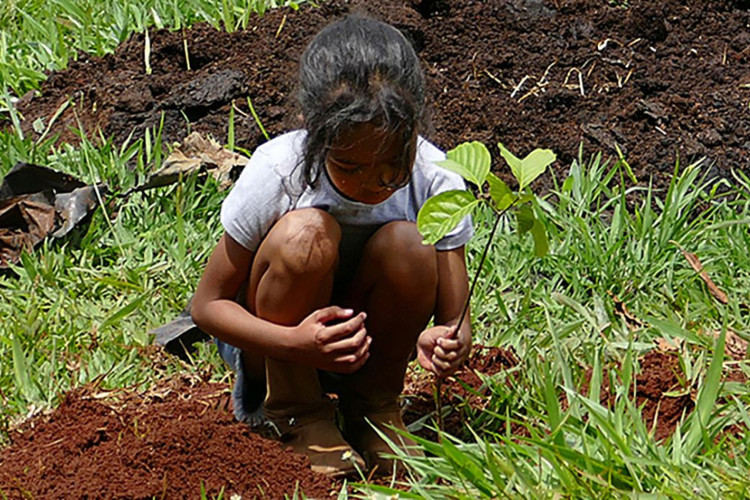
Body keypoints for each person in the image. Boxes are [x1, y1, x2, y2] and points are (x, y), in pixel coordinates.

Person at [191, 14, 473, 478]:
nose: (375, 183)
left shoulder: (436, 176)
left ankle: (375, 408)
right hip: (279, 342)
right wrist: (294, 343)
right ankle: (296, 411)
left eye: (391, 163)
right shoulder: (281, 170)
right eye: (351, 166)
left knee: (411, 243)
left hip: (367, 348)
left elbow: (454, 321)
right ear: (313, 132)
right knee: (307, 235)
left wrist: (445, 341)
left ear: (414, 129)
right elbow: (207, 305)